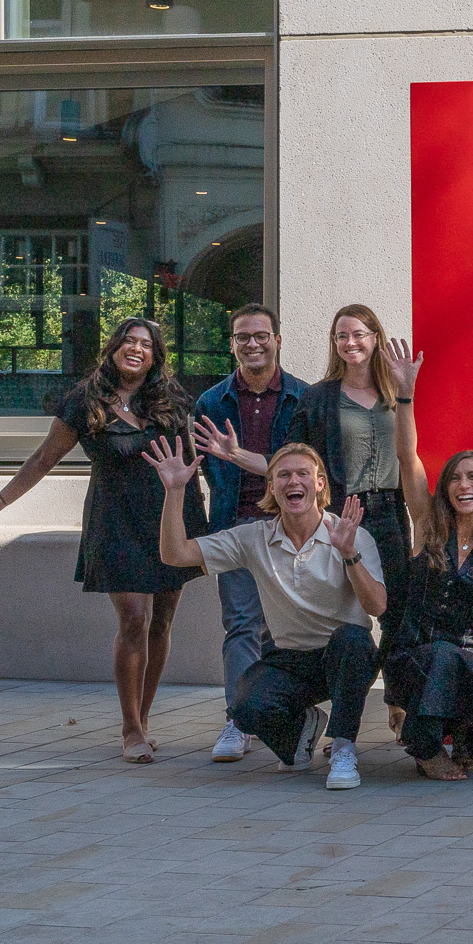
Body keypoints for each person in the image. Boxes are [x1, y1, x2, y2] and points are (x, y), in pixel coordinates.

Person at [0, 317, 209, 764]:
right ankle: (130, 730)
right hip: (115, 521)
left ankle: (143, 722)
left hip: (170, 517)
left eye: (145, 345)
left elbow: (195, 456)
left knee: (163, 621)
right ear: (113, 348)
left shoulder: (170, 399)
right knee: (133, 618)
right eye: (128, 341)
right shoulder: (85, 399)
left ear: (155, 356)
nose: (136, 349)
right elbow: (42, 459)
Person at [195, 304, 414, 732]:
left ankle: (398, 703)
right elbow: (288, 463)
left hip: (388, 511)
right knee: (339, 616)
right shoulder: (317, 398)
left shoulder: (396, 393)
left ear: (375, 337)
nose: (351, 342)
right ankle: (325, 714)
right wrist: (236, 455)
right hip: (340, 511)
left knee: (396, 613)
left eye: (359, 334)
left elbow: (411, 457)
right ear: (334, 344)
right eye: (342, 336)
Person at [148, 439, 383, 788]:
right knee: (244, 708)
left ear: (319, 484)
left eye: (303, 474)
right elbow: (175, 554)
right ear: (272, 486)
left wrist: (349, 554)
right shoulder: (254, 538)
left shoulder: (352, 534)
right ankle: (303, 729)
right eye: (283, 475)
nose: (294, 482)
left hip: (346, 658)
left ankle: (344, 747)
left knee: (352, 639)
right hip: (290, 659)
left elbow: (377, 607)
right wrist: (176, 491)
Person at [377, 338, 473, 780]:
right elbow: (406, 456)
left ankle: (469, 746)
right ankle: (425, 749)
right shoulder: (427, 522)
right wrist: (405, 394)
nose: (463, 484)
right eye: (455, 477)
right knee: (441, 659)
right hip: (414, 651)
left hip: (464, 650)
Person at [192, 304, 307, 765]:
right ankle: (238, 722)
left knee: (287, 629)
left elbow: (304, 468)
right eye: (243, 337)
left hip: (291, 529)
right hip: (236, 527)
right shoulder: (210, 402)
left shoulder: (303, 397)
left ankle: (279, 714)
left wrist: (242, 457)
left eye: (262, 335)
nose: (253, 343)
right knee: (241, 625)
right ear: (233, 343)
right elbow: (209, 472)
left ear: (278, 339)